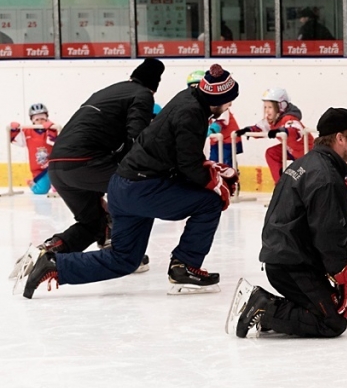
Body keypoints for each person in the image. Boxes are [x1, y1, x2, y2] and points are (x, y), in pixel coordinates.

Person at [16, 65, 240, 299]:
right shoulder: (191, 114)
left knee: (124, 259)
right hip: (141, 188)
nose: (230, 105)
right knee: (210, 203)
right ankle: (185, 267)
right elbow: (188, 165)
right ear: (220, 99)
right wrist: (214, 181)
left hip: (121, 185)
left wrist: (208, 171)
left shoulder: (187, 99)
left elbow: (179, 156)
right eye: (230, 100)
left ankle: (54, 265)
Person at [226, 108, 347, 338]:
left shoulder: (306, 163)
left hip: (286, 257)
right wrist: (342, 273)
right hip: (291, 264)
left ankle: (274, 313)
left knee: (326, 306)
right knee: (332, 323)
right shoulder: (327, 178)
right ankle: (264, 308)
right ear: (340, 138)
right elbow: (327, 233)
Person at [40, 59, 164, 253]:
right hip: (85, 163)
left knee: (93, 223)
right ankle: (127, 252)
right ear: (154, 86)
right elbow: (136, 139)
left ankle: (49, 252)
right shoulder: (143, 95)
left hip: (56, 166)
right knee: (138, 190)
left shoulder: (105, 92)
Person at [235, 88, 309, 184]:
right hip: (291, 149)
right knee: (271, 153)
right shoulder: (272, 120)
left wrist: (281, 130)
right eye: (265, 107)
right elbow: (260, 127)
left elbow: (296, 131)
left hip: (305, 152)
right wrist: (248, 130)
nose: (267, 111)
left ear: (281, 106)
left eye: (270, 107)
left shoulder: (289, 118)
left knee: (304, 177)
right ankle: (280, 183)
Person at [9, 103, 59, 195]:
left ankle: (55, 185)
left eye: (43, 118)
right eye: (37, 119)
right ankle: (31, 184)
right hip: (38, 168)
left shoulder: (52, 128)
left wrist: (51, 130)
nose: (40, 121)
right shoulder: (27, 131)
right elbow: (17, 141)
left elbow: (54, 142)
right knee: (41, 191)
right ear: (32, 120)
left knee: (61, 187)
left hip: (53, 165)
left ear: (47, 118)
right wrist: (14, 130)